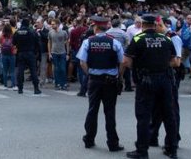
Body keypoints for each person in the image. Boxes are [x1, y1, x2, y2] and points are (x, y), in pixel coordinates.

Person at [124, 14, 179, 159]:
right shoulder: (166, 39)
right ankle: (172, 149)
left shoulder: (137, 39)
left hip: (146, 80)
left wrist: (140, 69)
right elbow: (174, 61)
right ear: (155, 25)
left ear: (142, 25)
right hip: (165, 80)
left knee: (143, 116)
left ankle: (142, 150)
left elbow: (126, 61)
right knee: (169, 115)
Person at [77, 16, 124, 152]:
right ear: (106, 27)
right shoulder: (114, 42)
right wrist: (119, 76)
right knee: (110, 112)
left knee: (92, 110)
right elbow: (122, 62)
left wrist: (89, 74)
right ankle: (113, 143)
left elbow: (82, 62)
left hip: (95, 80)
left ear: (95, 27)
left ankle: (89, 139)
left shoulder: (88, 42)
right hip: (110, 80)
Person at [149, 18, 183, 148]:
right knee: (156, 108)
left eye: (155, 26)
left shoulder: (173, 38)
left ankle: (173, 139)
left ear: (160, 25)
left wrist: (155, 63)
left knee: (171, 110)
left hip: (170, 76)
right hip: (160, 76)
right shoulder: (159, 37)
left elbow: (177, 62)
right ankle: (152, 136)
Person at [13, 18, 42, 94]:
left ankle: (20, 88)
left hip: (20, 53)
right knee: (33, 71)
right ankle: (36, 88)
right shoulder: (32, 32)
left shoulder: (17, 32)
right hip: (30, 53)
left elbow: (13, 42)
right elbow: (38, 44)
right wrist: (36, 53)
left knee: (20, 71)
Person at [48, 19, 69, 90]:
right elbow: (49, 43)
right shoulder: (50, 32)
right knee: (56, 69)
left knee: (62, 69)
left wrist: (67, 53)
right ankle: (58, 83)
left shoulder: (64, 32)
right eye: (51, 24)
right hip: (54, 53)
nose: (52, 25)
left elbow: (67, 43)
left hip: (62, 53)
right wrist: (49, 53)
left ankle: (64, 83)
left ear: (57, 24)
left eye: (53, 24)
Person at [0, 24, 16, 89]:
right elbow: (15, 44)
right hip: (11, 54)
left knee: (5, 70)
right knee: (12, 70)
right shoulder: (12, 36)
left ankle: (5, 85)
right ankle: (14, 85)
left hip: (4, 54)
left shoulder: (2, 36)